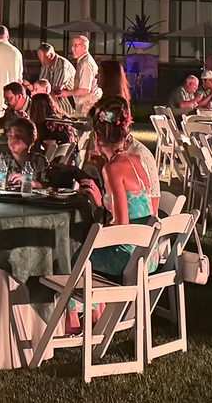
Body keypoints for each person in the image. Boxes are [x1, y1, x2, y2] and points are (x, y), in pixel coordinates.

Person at [80, 99, 154, 278]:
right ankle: (96, 305)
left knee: (71, 255)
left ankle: (87, 305)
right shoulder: (136, 160)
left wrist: (95, 239)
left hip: (128, 256)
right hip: (148, 254)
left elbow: (122, 225)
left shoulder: (112, 169)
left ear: (97, 137)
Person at [0, 117, 46, 189]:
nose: (12, 140)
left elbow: (49, 185)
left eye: (18, 136)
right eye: (10, 135)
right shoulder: (2, 160)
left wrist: (28, 181)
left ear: (29, 139)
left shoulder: (39, 161)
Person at [57, 34, 101, 118]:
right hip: (85, 105)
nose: (72, 48)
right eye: (72, 45)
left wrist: (66, 93)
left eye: (76, 45)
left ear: (84, 47)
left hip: (87, 106)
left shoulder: (85, 64)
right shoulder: (83, 61)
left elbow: (85, 90)